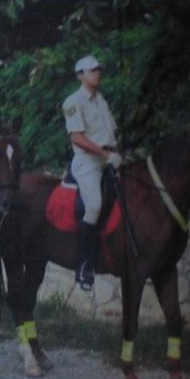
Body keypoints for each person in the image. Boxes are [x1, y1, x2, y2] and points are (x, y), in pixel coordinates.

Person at [63, 55, 119, 290]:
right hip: (88, 162)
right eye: (92, 70)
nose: (97, 73)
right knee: (94, 205)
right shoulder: (73, 101)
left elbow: (111, 132)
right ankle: (84, 263)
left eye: (98, 70)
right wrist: (105, 155)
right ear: (80, 75)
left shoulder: (101, 100)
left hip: (109, 158)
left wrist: (115, 153)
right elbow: (77, 137)